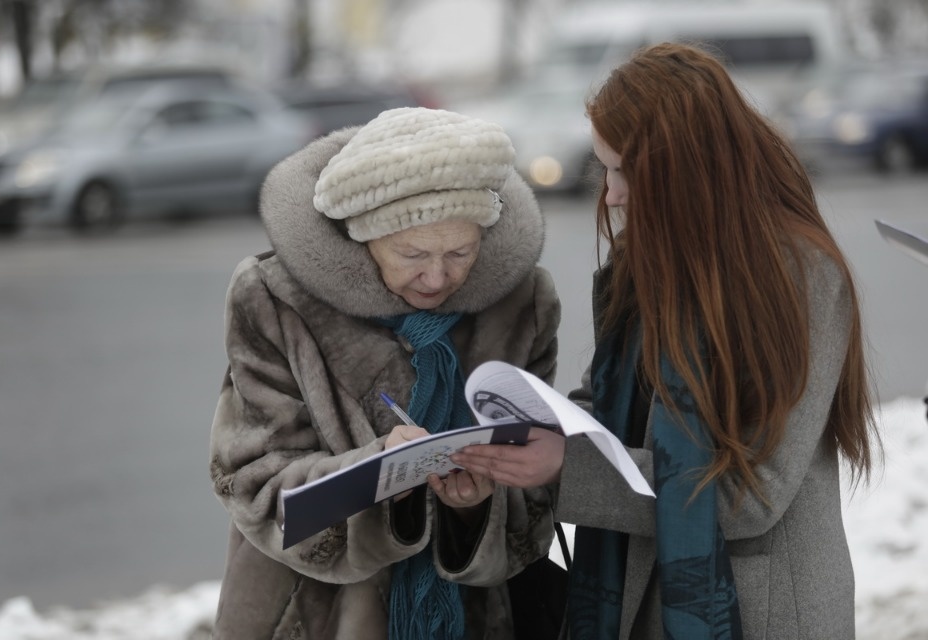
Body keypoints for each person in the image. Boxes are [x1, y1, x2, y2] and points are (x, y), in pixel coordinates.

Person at [451, 43, 879, 639]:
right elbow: (621, 413)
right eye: (605, 169)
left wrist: (568, 467)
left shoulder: (798, 276)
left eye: (624, 170)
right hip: (641, 591)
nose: (612, 194)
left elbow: (750, 495)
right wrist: (527, 430)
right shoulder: (651, 258)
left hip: (757, 611)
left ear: (684, 168)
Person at [207, 106, 561, 640]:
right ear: (361, 237)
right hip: (310, 614)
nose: (438, 276)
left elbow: (534, 487)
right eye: (413, 253)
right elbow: (251, 478)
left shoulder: (522, 304)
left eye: (461, 252)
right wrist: (381, 480)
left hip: (474, 616)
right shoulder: (274, 299)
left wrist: (474, 510)